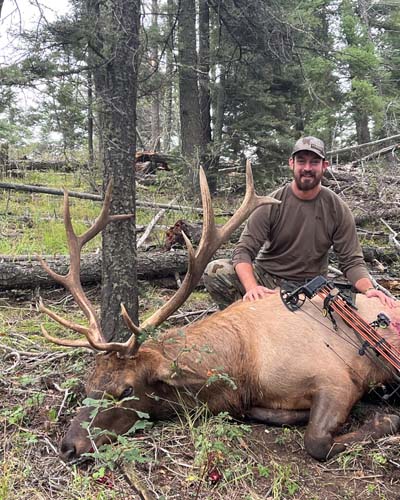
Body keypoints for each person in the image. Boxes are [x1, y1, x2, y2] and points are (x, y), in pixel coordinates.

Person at [204, 136, 397, 309]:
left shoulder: (337, 208)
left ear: (324, 166)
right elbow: (243, 251)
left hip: (311, 286)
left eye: (314, 162)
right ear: (291, 163)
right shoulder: (271, 203)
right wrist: (253, 288)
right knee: (216, 271)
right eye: (301, 161)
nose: (307, 168)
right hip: (268, 277)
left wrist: (369, 289)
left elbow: (352, 262)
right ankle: (244, 321)